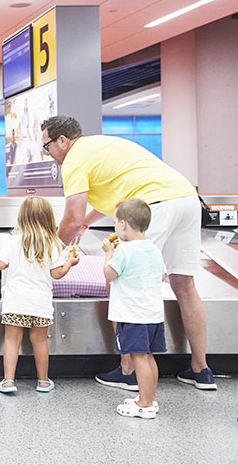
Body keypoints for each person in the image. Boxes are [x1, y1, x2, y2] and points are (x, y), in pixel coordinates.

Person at [40, 115, 216, 391]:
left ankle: (129, 370)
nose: (47, 153)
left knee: (122, 279)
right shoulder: (100, 145)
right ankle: (200, 369)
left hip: (153, 206)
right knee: (185, 285)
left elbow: (70, 219)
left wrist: (50, 255)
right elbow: (113, 193)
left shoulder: (73, 160)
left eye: (47, 146)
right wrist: (88, 220)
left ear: (62, 140)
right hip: (186, 199)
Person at [0, 196, 78, 394]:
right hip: (40, 303)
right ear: (49, 218)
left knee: (12, 340)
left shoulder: (13, 241)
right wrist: (70, 264)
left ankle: (8, 381)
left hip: (15, 301)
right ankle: (43, 381)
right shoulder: (53, 244)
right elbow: (56, 274)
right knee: (40, 341)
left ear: (22, 218)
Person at [102, 198, 166, 419]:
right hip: (153, 315)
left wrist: (109, 253)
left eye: (115, 222)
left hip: (133, 315)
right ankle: (150, 398)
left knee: (138, 357)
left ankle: (144, 404)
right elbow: (161, 276)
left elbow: (109, 274)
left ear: (124, 225)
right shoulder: (154, 249)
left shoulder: (124, 251)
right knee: (148, 356)